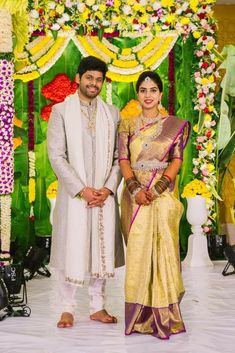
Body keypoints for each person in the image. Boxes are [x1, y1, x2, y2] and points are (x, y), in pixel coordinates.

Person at [47, 56, 124, 328]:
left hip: (103, 195)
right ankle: (67, 307)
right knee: (71, 246)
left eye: (99, 79)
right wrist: (82, 190)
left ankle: (97, 305)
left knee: (100, 248)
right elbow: (56, 156)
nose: (94, 83)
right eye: (89, 78)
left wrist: (107, 188)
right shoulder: (61, 112)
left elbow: (119, 157)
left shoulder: (112, 113)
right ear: (78, 78)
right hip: (75, 196)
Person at [118, 71, 190, 340]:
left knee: (164, 250)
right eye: (143, 90)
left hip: (162, 195)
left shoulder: (174, 124)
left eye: (153, 90)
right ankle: (138, 317)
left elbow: (177, 158)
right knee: (137, 252)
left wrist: (159, 187)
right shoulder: (126, 124)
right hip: (135, 196)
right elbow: (123, 159)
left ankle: (165, 316)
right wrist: (135, 188)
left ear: (160, 94)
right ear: (138, 94)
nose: (147, 95)